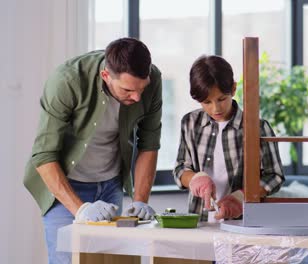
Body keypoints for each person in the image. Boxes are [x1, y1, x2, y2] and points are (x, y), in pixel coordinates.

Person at [24, 38, 162, 263]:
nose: (137, 97)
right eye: (128, 90)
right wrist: (80, 209)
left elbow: (149, 142)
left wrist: (140, 200)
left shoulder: (153, 79)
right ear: (106, 76)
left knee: (109, 260)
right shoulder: (67, 80)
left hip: (111, 184)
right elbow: (43, 154)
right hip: (67, 187)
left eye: (141, 89)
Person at [173, 55, 284, 221]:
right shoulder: (190, 122)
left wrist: (240, 198)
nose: (215, 108)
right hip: (199, 221)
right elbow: (181, 168)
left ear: (233, 89)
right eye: (206, 102)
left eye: (221, 99)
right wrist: (195, 179)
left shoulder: (257, 127)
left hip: (244, 222)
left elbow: (275, 176)